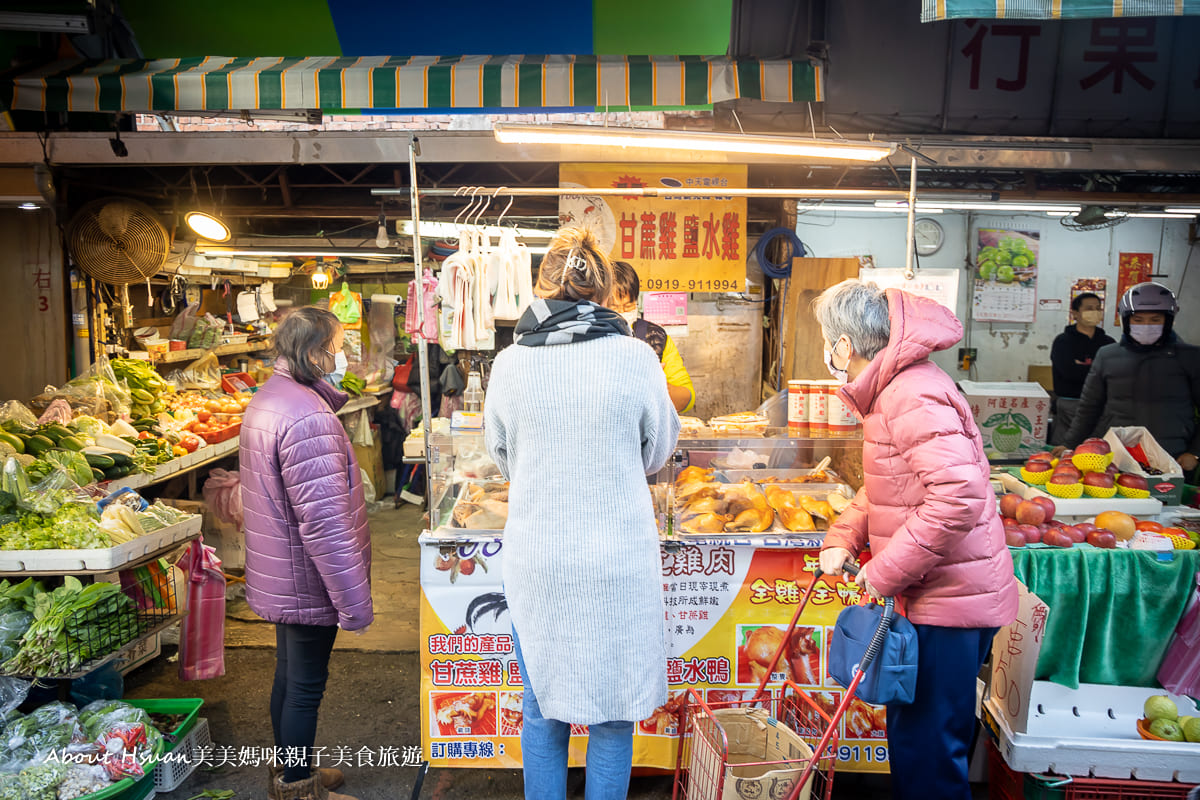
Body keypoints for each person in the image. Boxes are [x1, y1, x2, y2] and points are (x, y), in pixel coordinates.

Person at [484, 228, 680, 800]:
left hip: (538, 561)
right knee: (614, 715)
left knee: (542, 708)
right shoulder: (637, 357)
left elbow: (501, 455)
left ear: (542, 287)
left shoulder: (511, 364)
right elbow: (659, 447)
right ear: (604, 293)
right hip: (618, 561)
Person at [812, 279, 1018, 800]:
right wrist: (844, 534)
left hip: (947, 604)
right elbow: (893, 487)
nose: (826, 350)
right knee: (914, 740)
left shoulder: (910, 392)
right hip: (934, 597)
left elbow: (956, 498)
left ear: (844, 345)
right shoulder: (895, 388)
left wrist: (881, 573)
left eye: (825, 338)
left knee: (929, 751)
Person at [240, 307, 373, 800]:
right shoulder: (308, 415)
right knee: (305, 688)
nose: (342, 356)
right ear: (316, 352)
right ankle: (298, 788)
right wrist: (354, 603)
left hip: (281, 567)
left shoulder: (271, 398)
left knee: (289, 676)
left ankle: (290, 774)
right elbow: (327, 524)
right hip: (303, 572)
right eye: (339, 346)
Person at [1058, 282, 1200, 473]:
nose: (1146, 326)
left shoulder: (1190, 357)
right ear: (1126, 320)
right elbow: (1089, 408)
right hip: (1118, 457)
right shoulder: (1107, 355)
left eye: (1155, 319)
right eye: (1138, 320)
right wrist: (1070, 444)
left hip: (1173, 458)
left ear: (1168, 321)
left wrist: (1195, 453)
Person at [608, 260, 696, 413]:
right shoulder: (588, 336)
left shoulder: (656, 337)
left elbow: (688, 397)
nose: (622, 312)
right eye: (614, 307)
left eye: (628, 306)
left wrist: (658, 386)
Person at [1050, 292, 1115, 444]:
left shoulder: (1108, 343)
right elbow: (1069, 373)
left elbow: (1115, 375)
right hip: (1070, 405)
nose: (1095, 312)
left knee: (1097, 451)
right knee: (1065, 452)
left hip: (1101, 407)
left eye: (1098, 308)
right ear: (1075, 313)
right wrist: (1098, 371)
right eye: (1089, 308)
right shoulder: (1063, 341)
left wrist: (1083, 367)